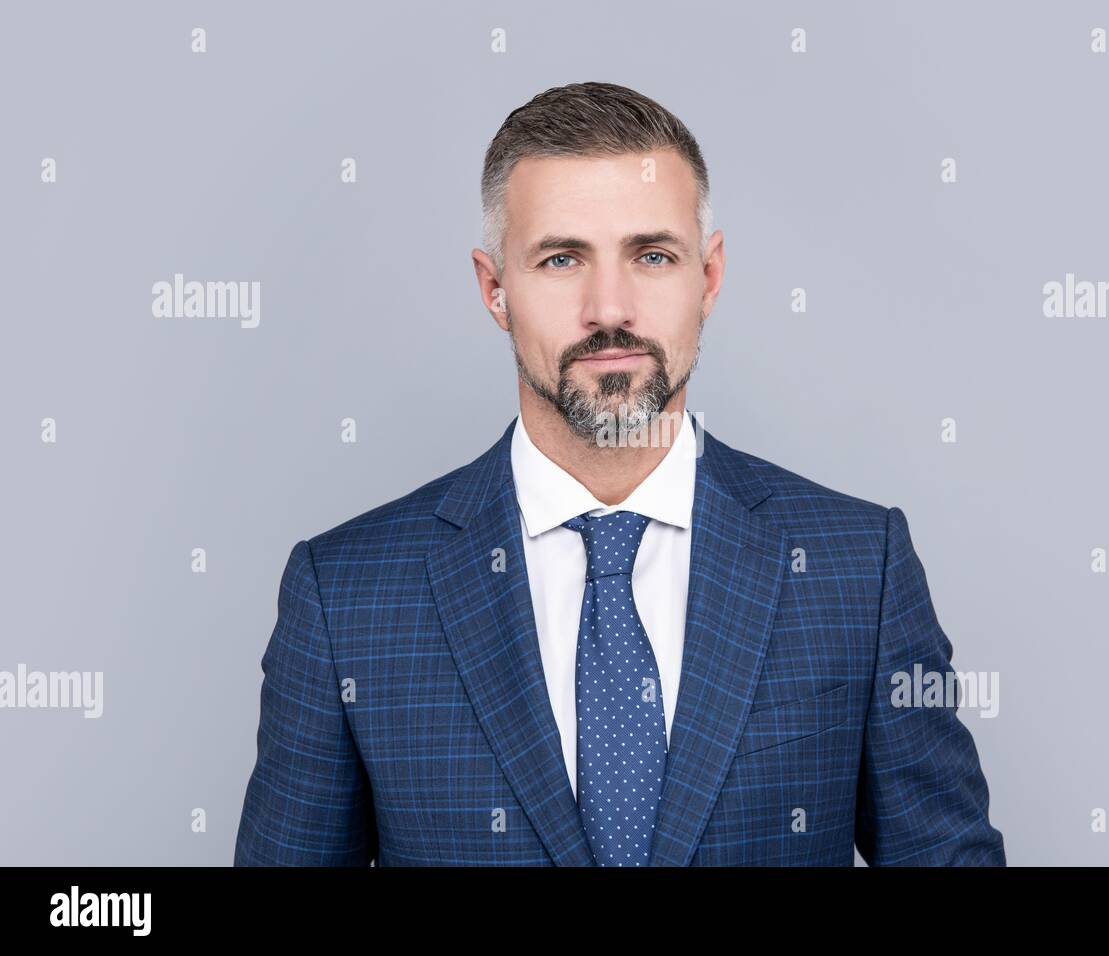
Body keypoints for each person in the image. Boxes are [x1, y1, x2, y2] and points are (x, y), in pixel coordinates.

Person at [234, 81, 1005, 866]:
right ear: (494, 288)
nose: (610, 308)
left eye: (652, 255)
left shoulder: (856, 568)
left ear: (707, 278)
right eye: (562, 258)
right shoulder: (347, 596)